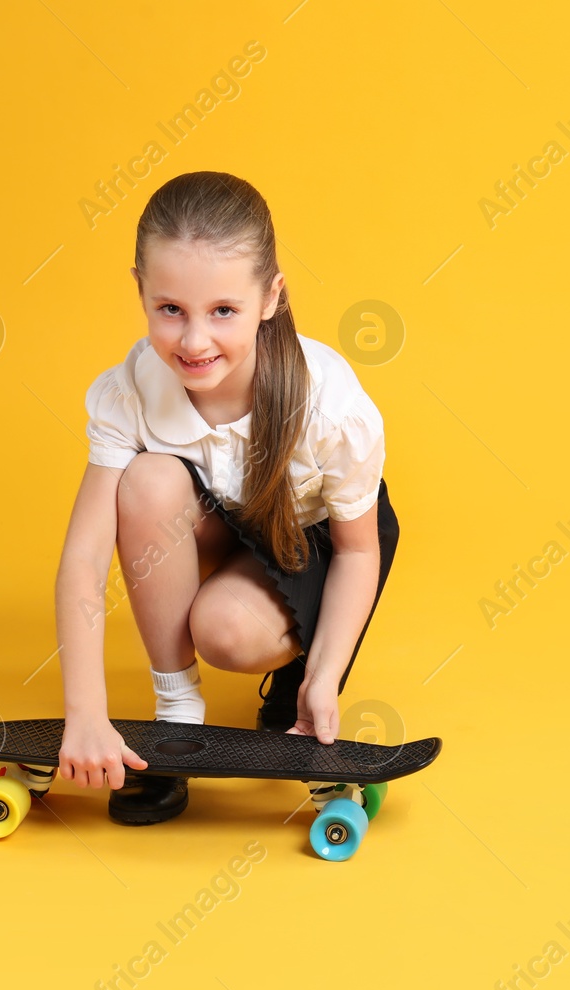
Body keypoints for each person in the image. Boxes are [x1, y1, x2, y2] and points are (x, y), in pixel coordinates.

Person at [51, 171, 399, 825]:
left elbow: (358, 550)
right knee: (147, 480)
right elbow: (84, 558)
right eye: (170, 309)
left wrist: (324, 676)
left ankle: (297, 667)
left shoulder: (330, 405)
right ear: (141, 291)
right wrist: (86, 713)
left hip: (314, 542)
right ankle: (176, 715)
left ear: (270, 297)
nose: (193, 341)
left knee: (226, 630)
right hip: (222, 523)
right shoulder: (131, 389)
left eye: (223, 311)